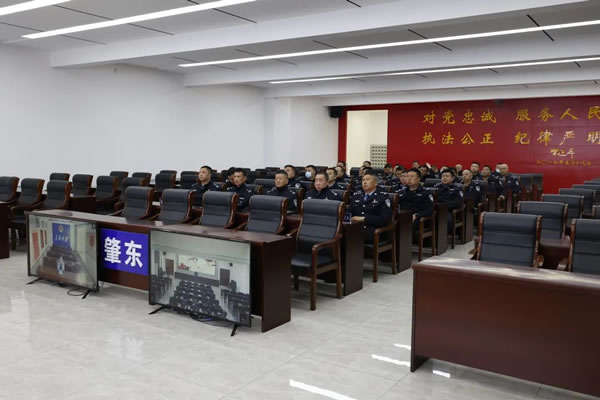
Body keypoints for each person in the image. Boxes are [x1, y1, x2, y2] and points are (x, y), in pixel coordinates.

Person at [349, 170, 393, 242]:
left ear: (375, 183)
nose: (364, 182)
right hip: (355, 227)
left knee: (352, 237)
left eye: (368, 179)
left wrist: (364, 219)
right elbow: (349, 212)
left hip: (373, 230)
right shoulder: (357, 195)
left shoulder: (383, 197)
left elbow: (384, 220)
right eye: (363, 180)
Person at [396, 168, 434, 233]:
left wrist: (417, 215)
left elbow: (430, 209)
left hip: (418, 219)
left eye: (412, 176)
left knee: (406, 226)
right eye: (407, 176)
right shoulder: (401, 192)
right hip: (403, 217)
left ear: (418, 179)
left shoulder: (425, 192)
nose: (409, 179)